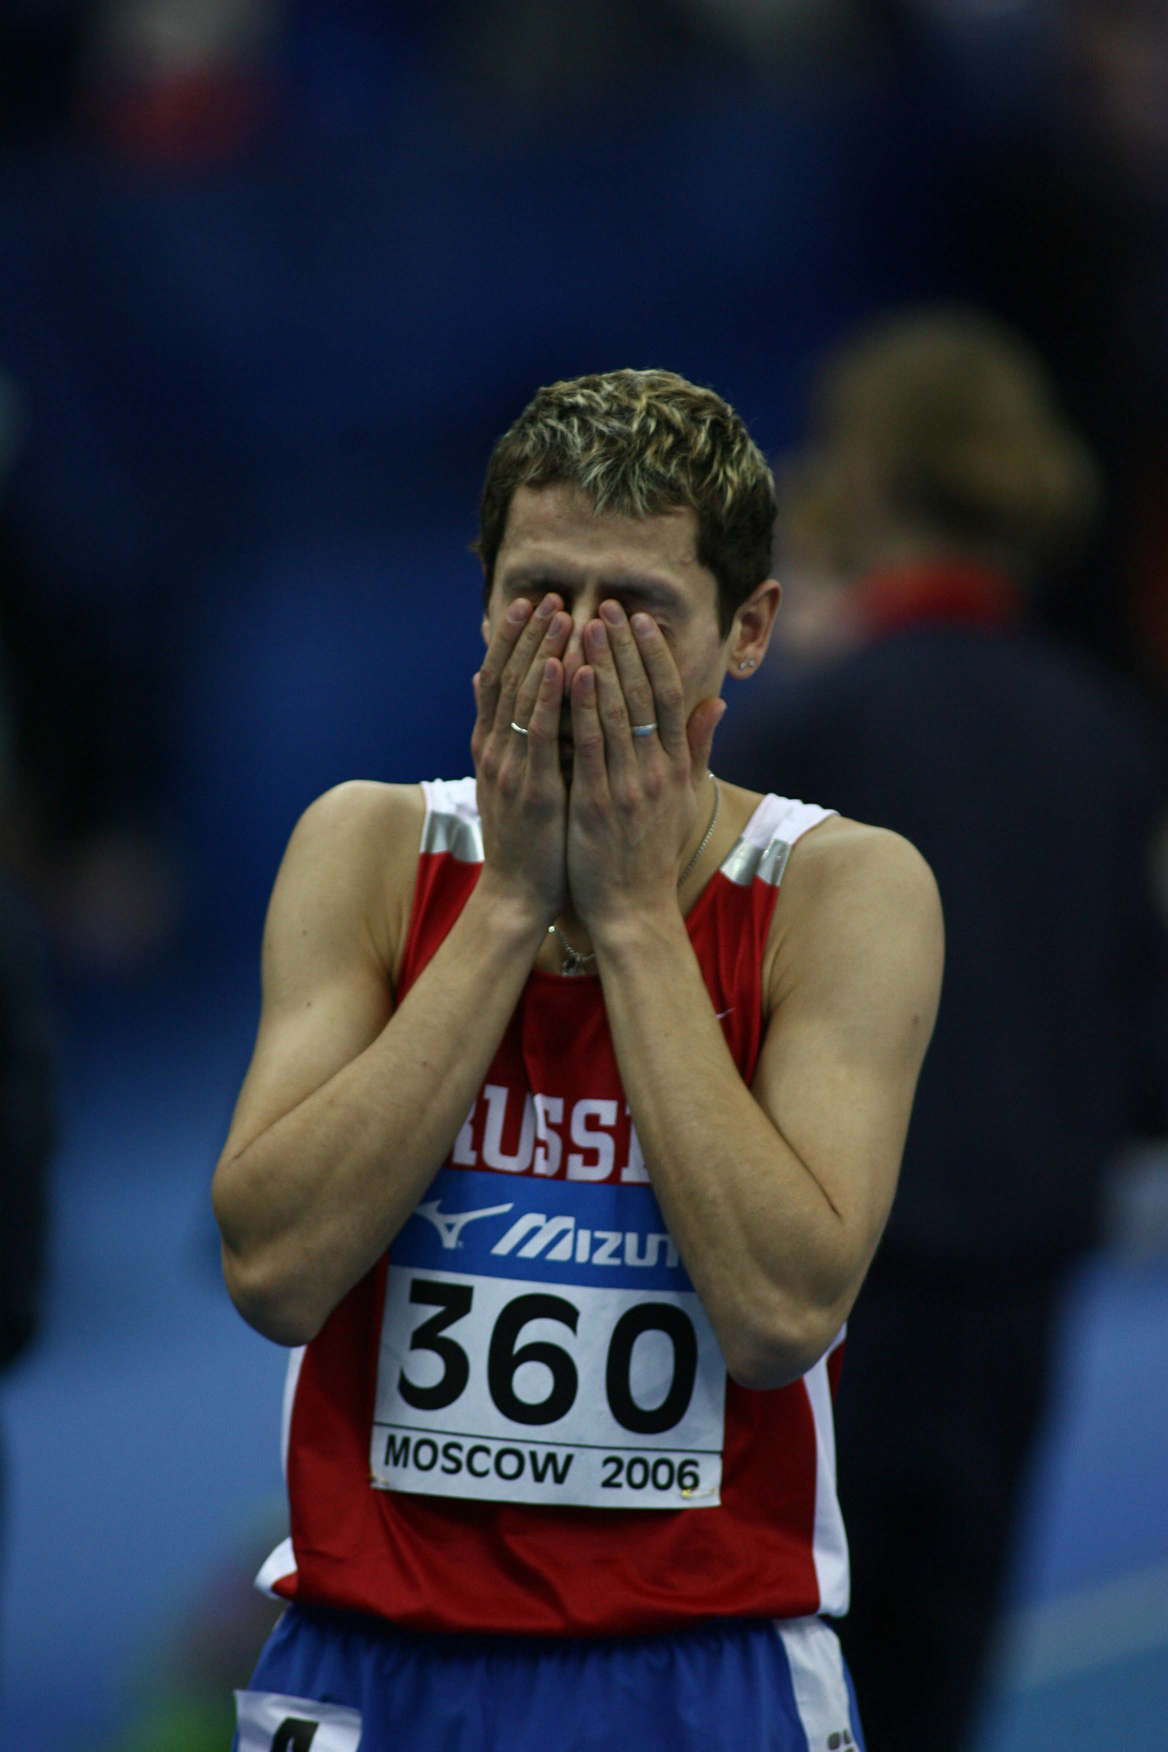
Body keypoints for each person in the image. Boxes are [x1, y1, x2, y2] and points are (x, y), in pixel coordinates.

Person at [211, 368, 943, 1752]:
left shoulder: (844, 890)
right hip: (374, 1667)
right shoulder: (369, 849)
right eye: (540, 596)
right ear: (482, 602)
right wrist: (506, 907)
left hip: (702, 1672)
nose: (580, 653)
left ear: (748, 631)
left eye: (639, 609)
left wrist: (631, 916)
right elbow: (274, 1272)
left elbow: (780, 1312)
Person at [718, 311, 1168, 1751]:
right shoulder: (1108, 730)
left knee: (774, 1678)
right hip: (1023, 1293)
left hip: (823, 1303)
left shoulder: (797, 733)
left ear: (864, 479)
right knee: (932, 1689)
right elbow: (1142, 1055)